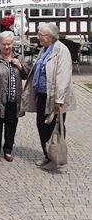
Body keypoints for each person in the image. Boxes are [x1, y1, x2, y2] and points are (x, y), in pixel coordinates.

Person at [21, 22, 76, 171]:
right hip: (42, 95)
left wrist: (59, 99)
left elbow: (63, 75)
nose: (38, 37)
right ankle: (47, 155)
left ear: (50, 37)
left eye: (40, 35)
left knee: (54, 128)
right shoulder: (45, 49)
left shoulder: (61, 50)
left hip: (55, 97)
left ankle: (56, 158)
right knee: (41, 124)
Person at [0, 31, 29, 163]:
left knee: (11, 125)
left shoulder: (19, 57)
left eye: (9, 44)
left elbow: (26, 76)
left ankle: (8, 150)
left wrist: (19, 66)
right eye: (4, 44)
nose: (7, 47)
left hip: (14, 99)